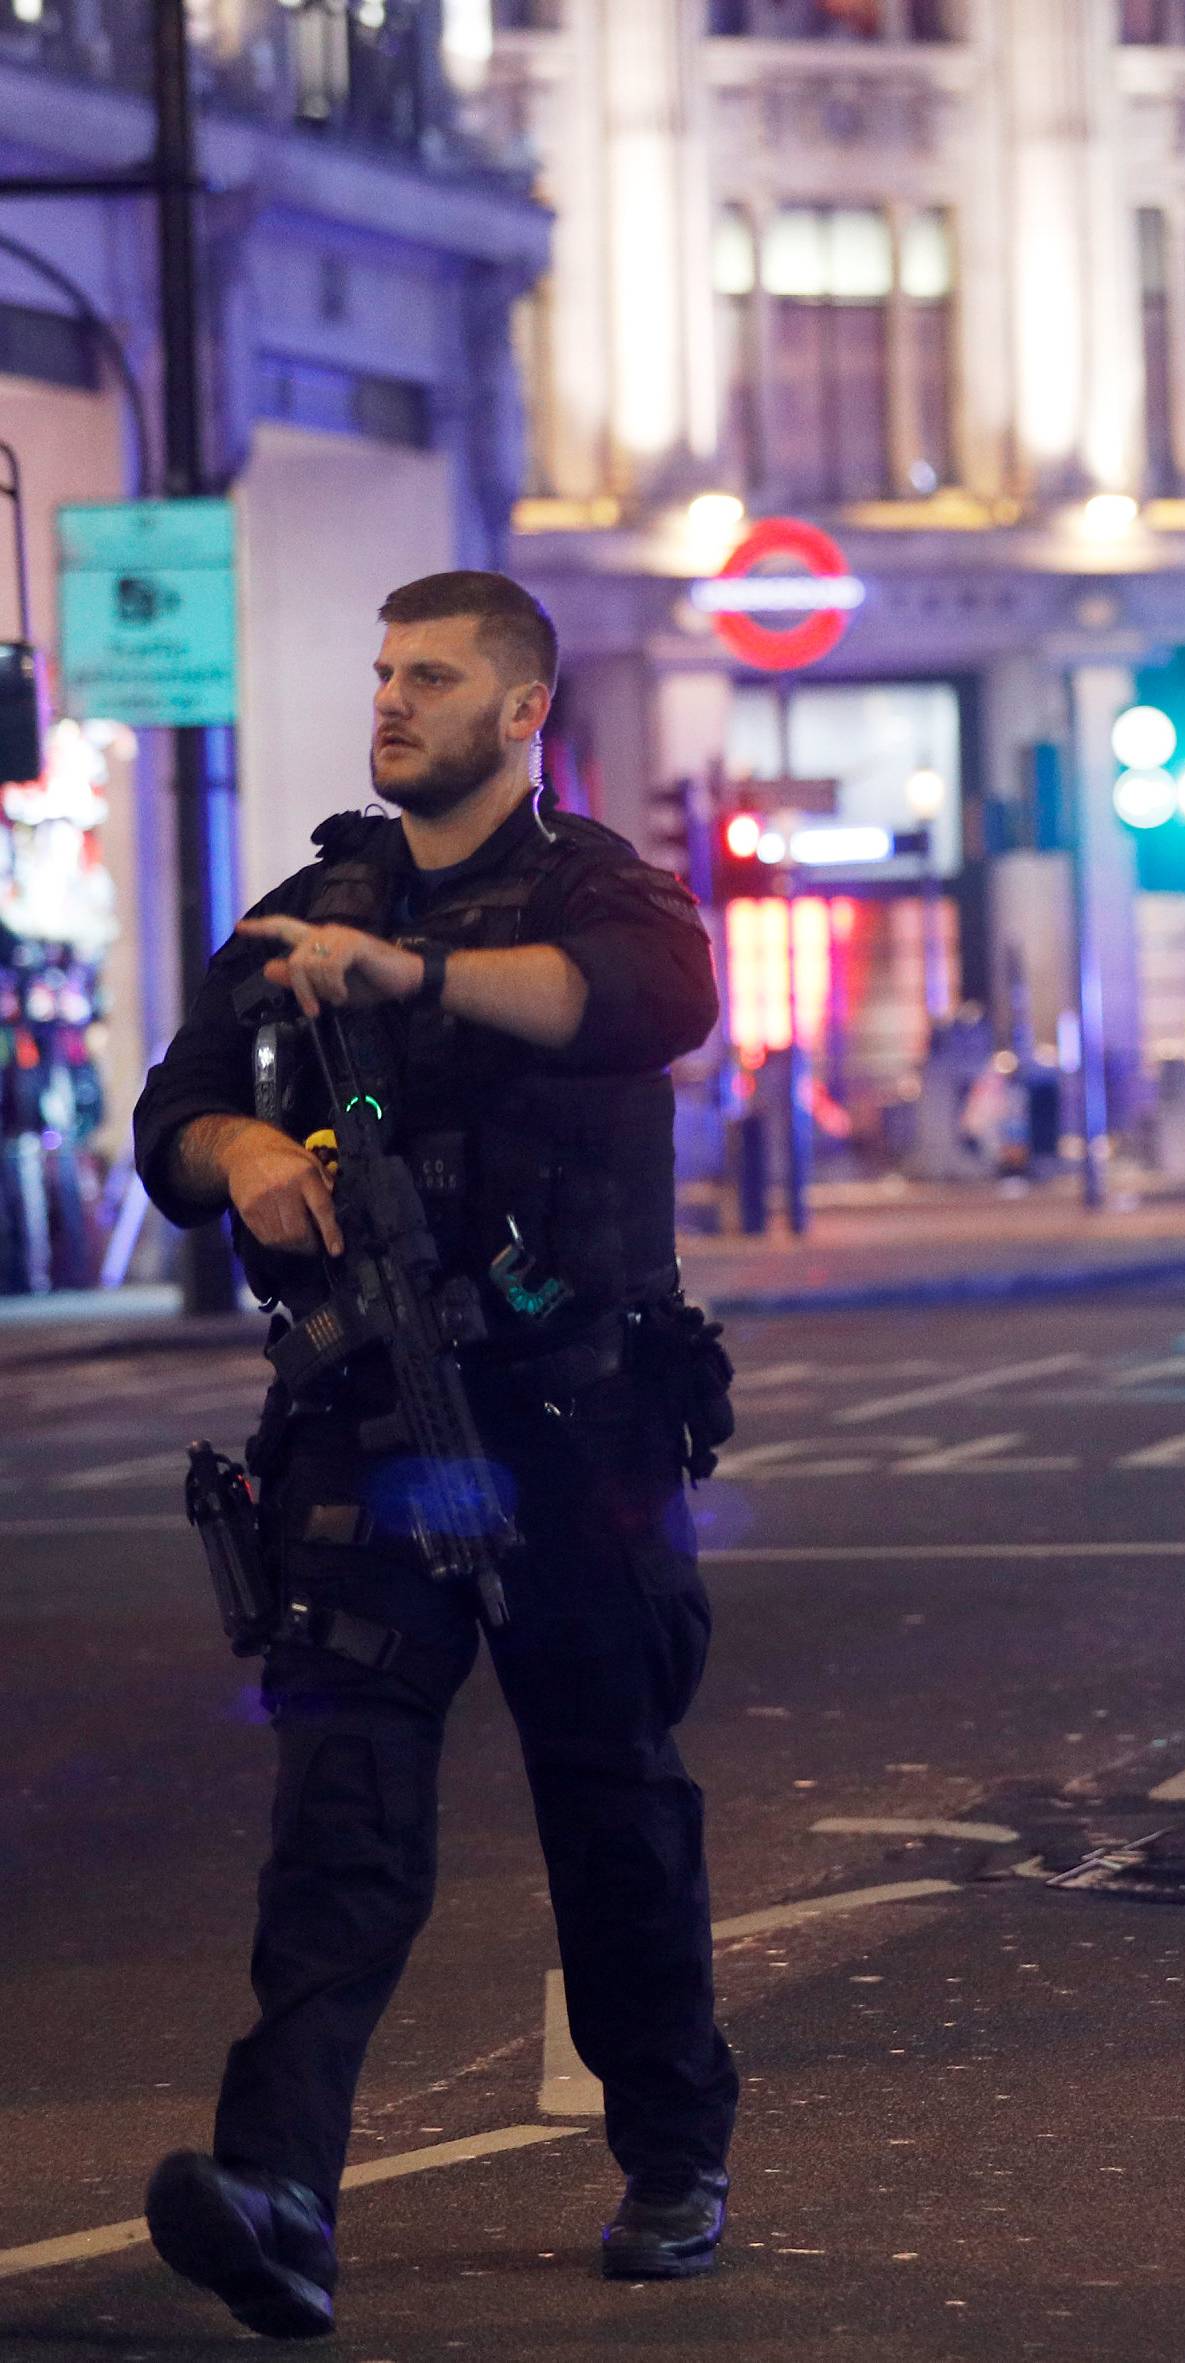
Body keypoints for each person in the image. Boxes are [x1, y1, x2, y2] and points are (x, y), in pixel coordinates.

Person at [131, 571, 739, 2338]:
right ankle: (278, 2195)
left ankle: (674, 2151)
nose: (391, 700)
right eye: (383, 670)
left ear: (524, 710)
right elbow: (172, 1110)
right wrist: (241, 1145)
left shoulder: (599, 887)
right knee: (340, 1818)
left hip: (574, 1423)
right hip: (370, 1428)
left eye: (434, 676)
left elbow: (650, 998)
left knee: (611, 1799)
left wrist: (414, 977)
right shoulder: (306, 902)